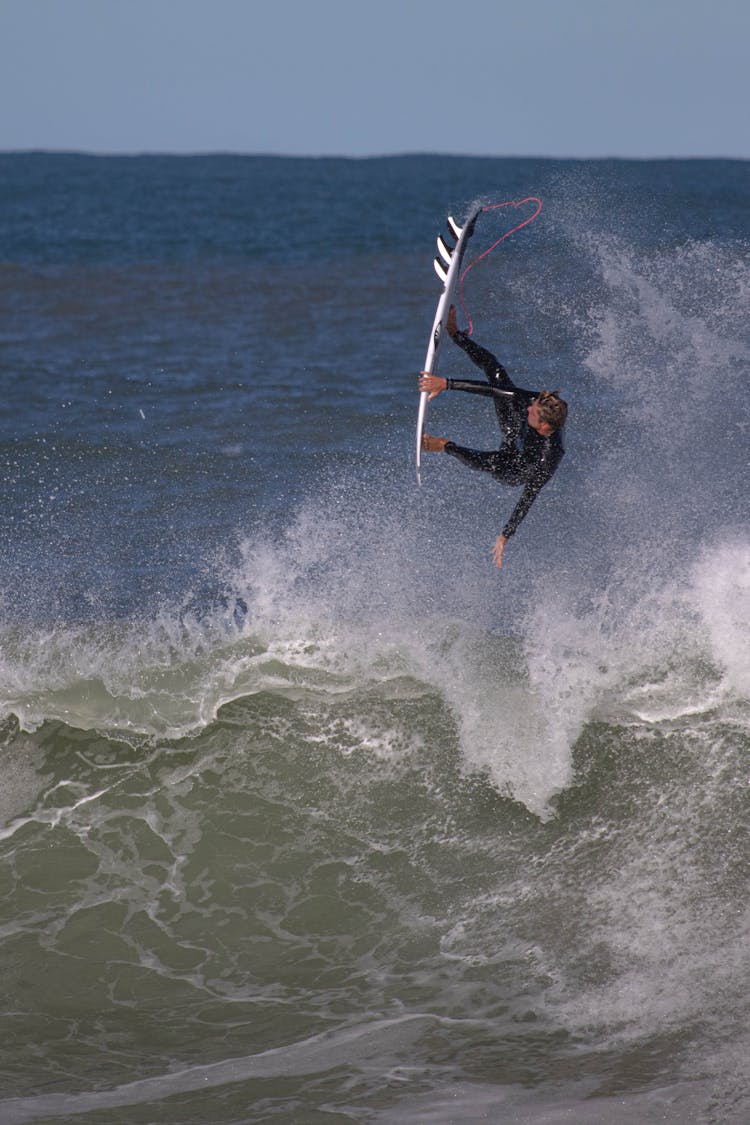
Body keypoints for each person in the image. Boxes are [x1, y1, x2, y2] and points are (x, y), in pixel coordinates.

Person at [419, 305, 567, 569]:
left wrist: (505, 535)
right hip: (517, 432)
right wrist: (447, 384)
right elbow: (496, 391)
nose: (529, 407)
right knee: (497, 374)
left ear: (544, 427)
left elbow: (528, 496)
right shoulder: (539, 404)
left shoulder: (547, 458)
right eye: (532, 405)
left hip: (514, 468)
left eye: (532, 412)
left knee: (490, 462)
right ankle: (458, 335)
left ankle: (444, 446)